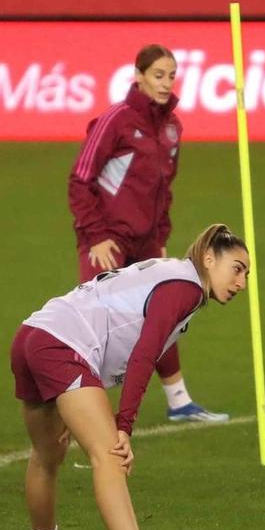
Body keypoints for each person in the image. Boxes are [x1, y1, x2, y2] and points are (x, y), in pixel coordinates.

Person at [10, 224, 250, 530]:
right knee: (110, 455)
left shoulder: (171, 275)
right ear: (208, 258)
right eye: (237, 268)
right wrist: (125, 425)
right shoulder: (184, 287)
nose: (242, 282)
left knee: (46, 455)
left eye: (247, 274)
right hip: (62, 345)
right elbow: (144, 353)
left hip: (33, 334)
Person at [68, 45, 227, 424]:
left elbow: (163, 189)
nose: (165, 82)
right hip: (107, 241)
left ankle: (179, 402)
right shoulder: (115, 120)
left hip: (146, 242)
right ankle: (80, 412)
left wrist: (160, 237)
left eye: (171, 75)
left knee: (165, 313)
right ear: (138, 75)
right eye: (158, 74)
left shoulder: (172, 128)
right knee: (96, 324)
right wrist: (96, 236)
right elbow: (80, 180)